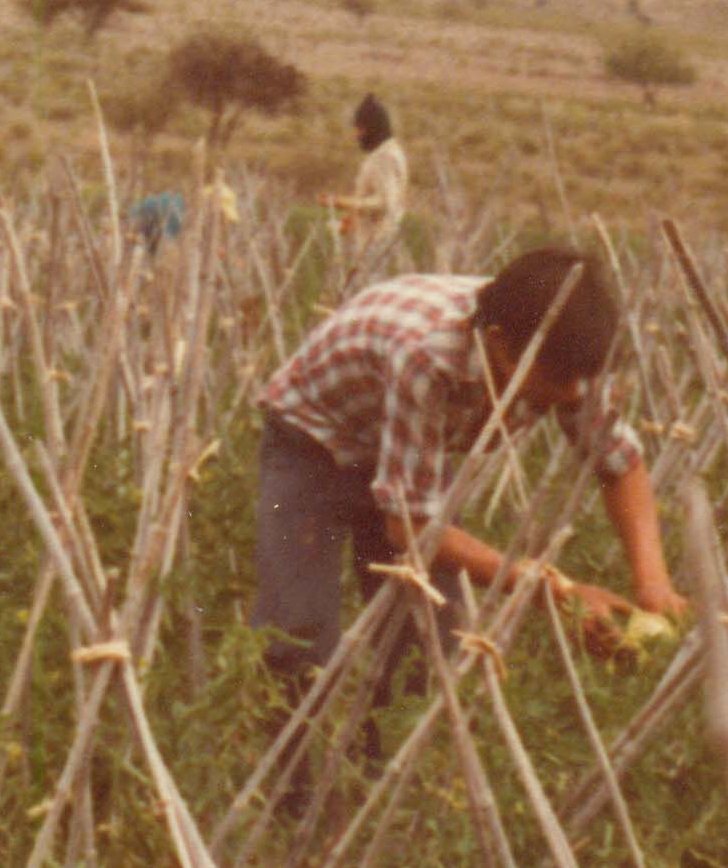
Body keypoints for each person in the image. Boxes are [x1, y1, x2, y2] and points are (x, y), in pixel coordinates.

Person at [251, 248, 686, 752]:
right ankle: (294, 796)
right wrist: (557, 591)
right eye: (559, 378)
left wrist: (653, 585)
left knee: (430, 639)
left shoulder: (564, 355)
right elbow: (411, 528)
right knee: (300, 632)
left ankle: (384, 771)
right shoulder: (425, 357)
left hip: (404, 450)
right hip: (316, 442)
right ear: (499, 346)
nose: (574, 393)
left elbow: (618, 462)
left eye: (580, 380)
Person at [326, 93, 409, 260]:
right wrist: (349, 220)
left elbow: (384, 203)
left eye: (360, 129)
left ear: (373, 129)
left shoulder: (385, 157)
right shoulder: (389, 152)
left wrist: (340, 202)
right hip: (376, 240)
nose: (357, 135)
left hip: (378, 242)